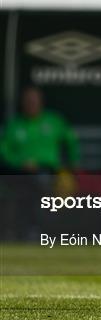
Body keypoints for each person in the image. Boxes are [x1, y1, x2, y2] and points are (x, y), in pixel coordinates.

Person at [0, 86, 80, 238]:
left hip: (50, 171)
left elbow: (71, 141)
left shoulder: (54, 120)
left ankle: (48, 231)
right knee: (29, 184)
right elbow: (4, 150)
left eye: (34, 101)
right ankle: (30, 230)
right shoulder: (14, 124)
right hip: (19, 172)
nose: (32, 104)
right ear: (23, 103)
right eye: (28, 101)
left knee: (49, 183)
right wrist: (19, 162)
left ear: (41, 102)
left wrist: (72, 164)